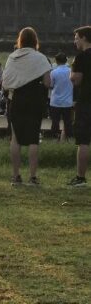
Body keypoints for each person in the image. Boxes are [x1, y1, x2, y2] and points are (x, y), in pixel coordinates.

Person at [2, 26, 51, 187]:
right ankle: (33, 177)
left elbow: (6, 82)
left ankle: (16, 177)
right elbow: (47, 83)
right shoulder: (41, 58)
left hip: (17, 99)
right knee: (33, 139)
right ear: (35, 41)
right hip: (35, 100)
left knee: (15, 138)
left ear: (20, 40)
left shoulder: (12, 57)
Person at [69, 25, 91, 187]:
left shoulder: (81, 57)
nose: (74, 41)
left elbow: (76, 79)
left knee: (83, 141)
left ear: (84, 38)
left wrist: (72, 69)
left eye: (76, 37)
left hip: (86, 102)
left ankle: (81, 178)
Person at [49, 52, 74, 142]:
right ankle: (68, 138)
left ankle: (55, 138)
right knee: (68, 122)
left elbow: (51, 86)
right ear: (66, 60)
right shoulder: (71, 71)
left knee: (55, 122)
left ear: (56, 61)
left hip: (55, 102)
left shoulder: (53, 72)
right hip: (67, 102)